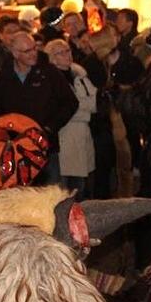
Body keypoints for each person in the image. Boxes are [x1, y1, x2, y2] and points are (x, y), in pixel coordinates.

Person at [0, 31, 78, 184]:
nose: (33, 54)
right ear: (15, 53)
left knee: (50, 197)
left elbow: (70, 102)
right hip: (17, 150)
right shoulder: (4, 77)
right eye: (27, 51)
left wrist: (50, 127)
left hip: (46, 148)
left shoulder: (49, 72)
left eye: (34, 49)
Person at [44, 39, 97, 196]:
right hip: (66, 135)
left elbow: (93, 102)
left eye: (68, 51)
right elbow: (66, 108)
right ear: (52, 57)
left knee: (82, 185)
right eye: (61, 52)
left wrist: (81, 109)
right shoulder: (51, 78)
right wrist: (81, 110)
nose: (67, 55)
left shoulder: (79, 74)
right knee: (66, 187)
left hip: (82, 135)